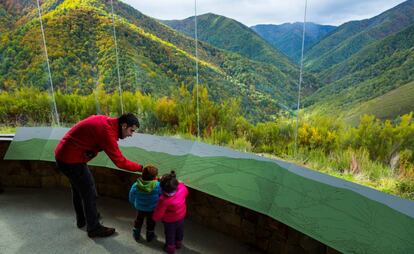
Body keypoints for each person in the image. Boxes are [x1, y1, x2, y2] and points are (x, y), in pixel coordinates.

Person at [55, 113, 143, 238]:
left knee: (78, 189)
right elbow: (120, 162)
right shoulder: (107, 132)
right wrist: (141, 168)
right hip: (71, 160)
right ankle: (94, 228)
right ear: (123, 125)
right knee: (89, 192)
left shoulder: (106, 121)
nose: (131, 134)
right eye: (131, 130)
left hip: (64, 155)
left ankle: (82, 219)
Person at [153, 171, 188, 254]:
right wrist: (179, 183)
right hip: (181, 216)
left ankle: (170, 248)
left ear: (162, 188)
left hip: (170, 221)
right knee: (180, 230)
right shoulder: (182, 188)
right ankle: (178, 243)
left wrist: (154, 217)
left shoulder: (163, 200)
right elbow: (185, 190)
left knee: (170, 234)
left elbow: (159, 213)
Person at [129, 165, 161, 242]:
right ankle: (150, 235)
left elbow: (131, 194)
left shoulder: (136, 184)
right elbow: (161, 195)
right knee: (151, 222)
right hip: (152, 208)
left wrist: (133, 202)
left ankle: (136, 234)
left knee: (138, 220)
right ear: (154, 177)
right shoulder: (158, 185)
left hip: (140, 207)